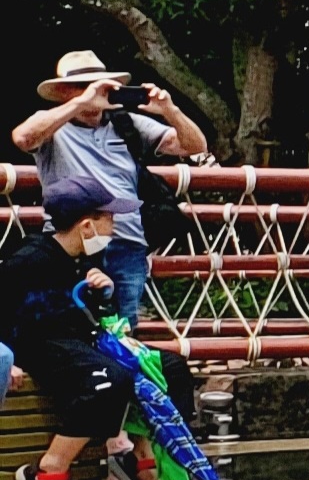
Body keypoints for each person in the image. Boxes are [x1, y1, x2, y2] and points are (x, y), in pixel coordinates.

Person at [16, 49, 205, 328]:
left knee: (123, 331)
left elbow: (195, 146)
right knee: (68, 326)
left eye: (98, 84)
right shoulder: (52, 124)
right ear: (64, 91)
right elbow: (22, 137)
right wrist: (81, 103)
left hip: (126, 241)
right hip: (70, 245)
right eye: (82, 85)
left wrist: (170, 110)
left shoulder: (126, 122)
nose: (92, 92)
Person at [4, 174, 131, 480]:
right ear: (87, 226)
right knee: (107, 378)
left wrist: (105, 294)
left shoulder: (85, 261)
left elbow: (96, 315)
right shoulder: (28, 259)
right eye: (109, 220)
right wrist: (7, 355)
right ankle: (50, 469)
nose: (113, 227)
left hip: (74, 341)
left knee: (156, 366)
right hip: (37, 344)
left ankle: (139, 463)